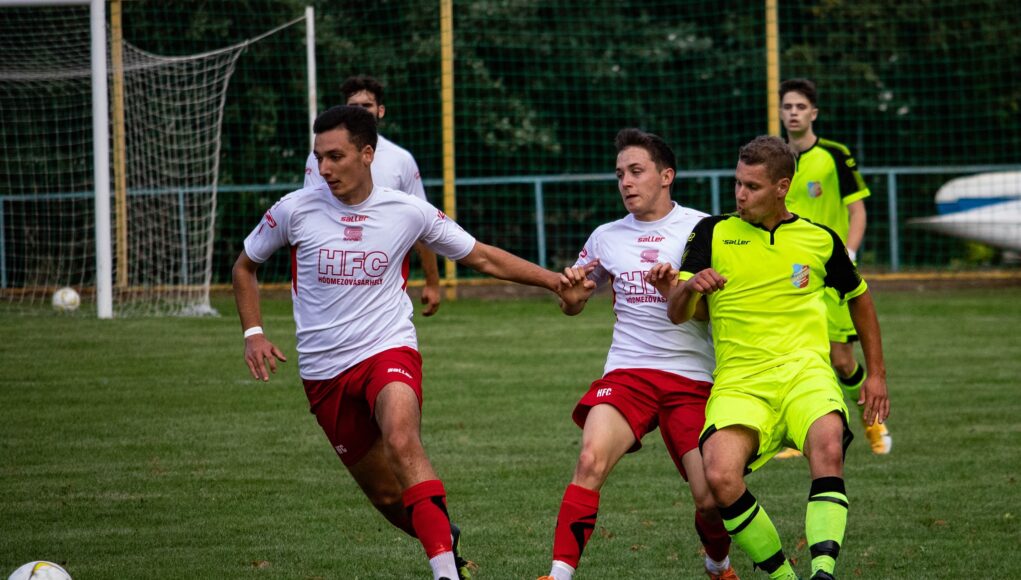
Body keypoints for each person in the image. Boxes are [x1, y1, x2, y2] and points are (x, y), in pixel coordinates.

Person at [235, 105, 573, 580]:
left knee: (401, 437)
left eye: (335, 156)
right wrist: (253, 333)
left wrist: (555, 281)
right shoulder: (294, 209)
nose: (324, 168)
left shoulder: (407, 211)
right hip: (323, 372)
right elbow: (244, 266)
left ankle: (445, 573)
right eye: (319, 157)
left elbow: (482, 257)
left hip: (387, 349)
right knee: (388, 497)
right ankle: (444, 537)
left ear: (367, 154)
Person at [666, 135, 889, 579]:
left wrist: (877, 374)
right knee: (719, 475)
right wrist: (689, 287)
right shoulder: (712, 232)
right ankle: (784, 577)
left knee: (828, 446)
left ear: (782, 186)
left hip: (806, 375)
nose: (740, 194)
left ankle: (822, 572)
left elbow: (860, 298)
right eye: (737, 183)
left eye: (752, 186)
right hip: (741, 382)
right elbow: (676, 312)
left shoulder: (819, 239)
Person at [538, 129, 738, 580]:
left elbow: (717, 311)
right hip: (628, 374)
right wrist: (571, 296)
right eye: (619, 174)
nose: (625, 182)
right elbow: (574, 302)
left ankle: (718, 563)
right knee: (589, 461)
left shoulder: (705, 229)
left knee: (710, 498)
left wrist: (676, 291)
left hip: (692, 377)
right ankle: (558, 574)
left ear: (666, 176)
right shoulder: (606, 236)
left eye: (636, 171)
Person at [775, 78, 891, 457]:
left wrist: (849, 253)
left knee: (841, 360)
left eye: (800, 106)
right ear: (780, 112)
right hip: (792, 274)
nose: (793, 113)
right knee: (797, 356)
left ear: (814, 113)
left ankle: (873, 421)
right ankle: (799, 435)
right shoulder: (775, 158)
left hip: (831, 272)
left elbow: (857, 210)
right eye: (787, 106)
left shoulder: (834, 155)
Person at [304, 75, 442, 317]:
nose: (360, 111)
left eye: (366, 105)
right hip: (336, 274)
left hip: (383, 273)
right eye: (353, 106)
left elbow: (422, 223)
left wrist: (432, 282)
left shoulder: (401, 159)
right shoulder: (321, 159)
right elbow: (308, 215)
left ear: (380, 110)